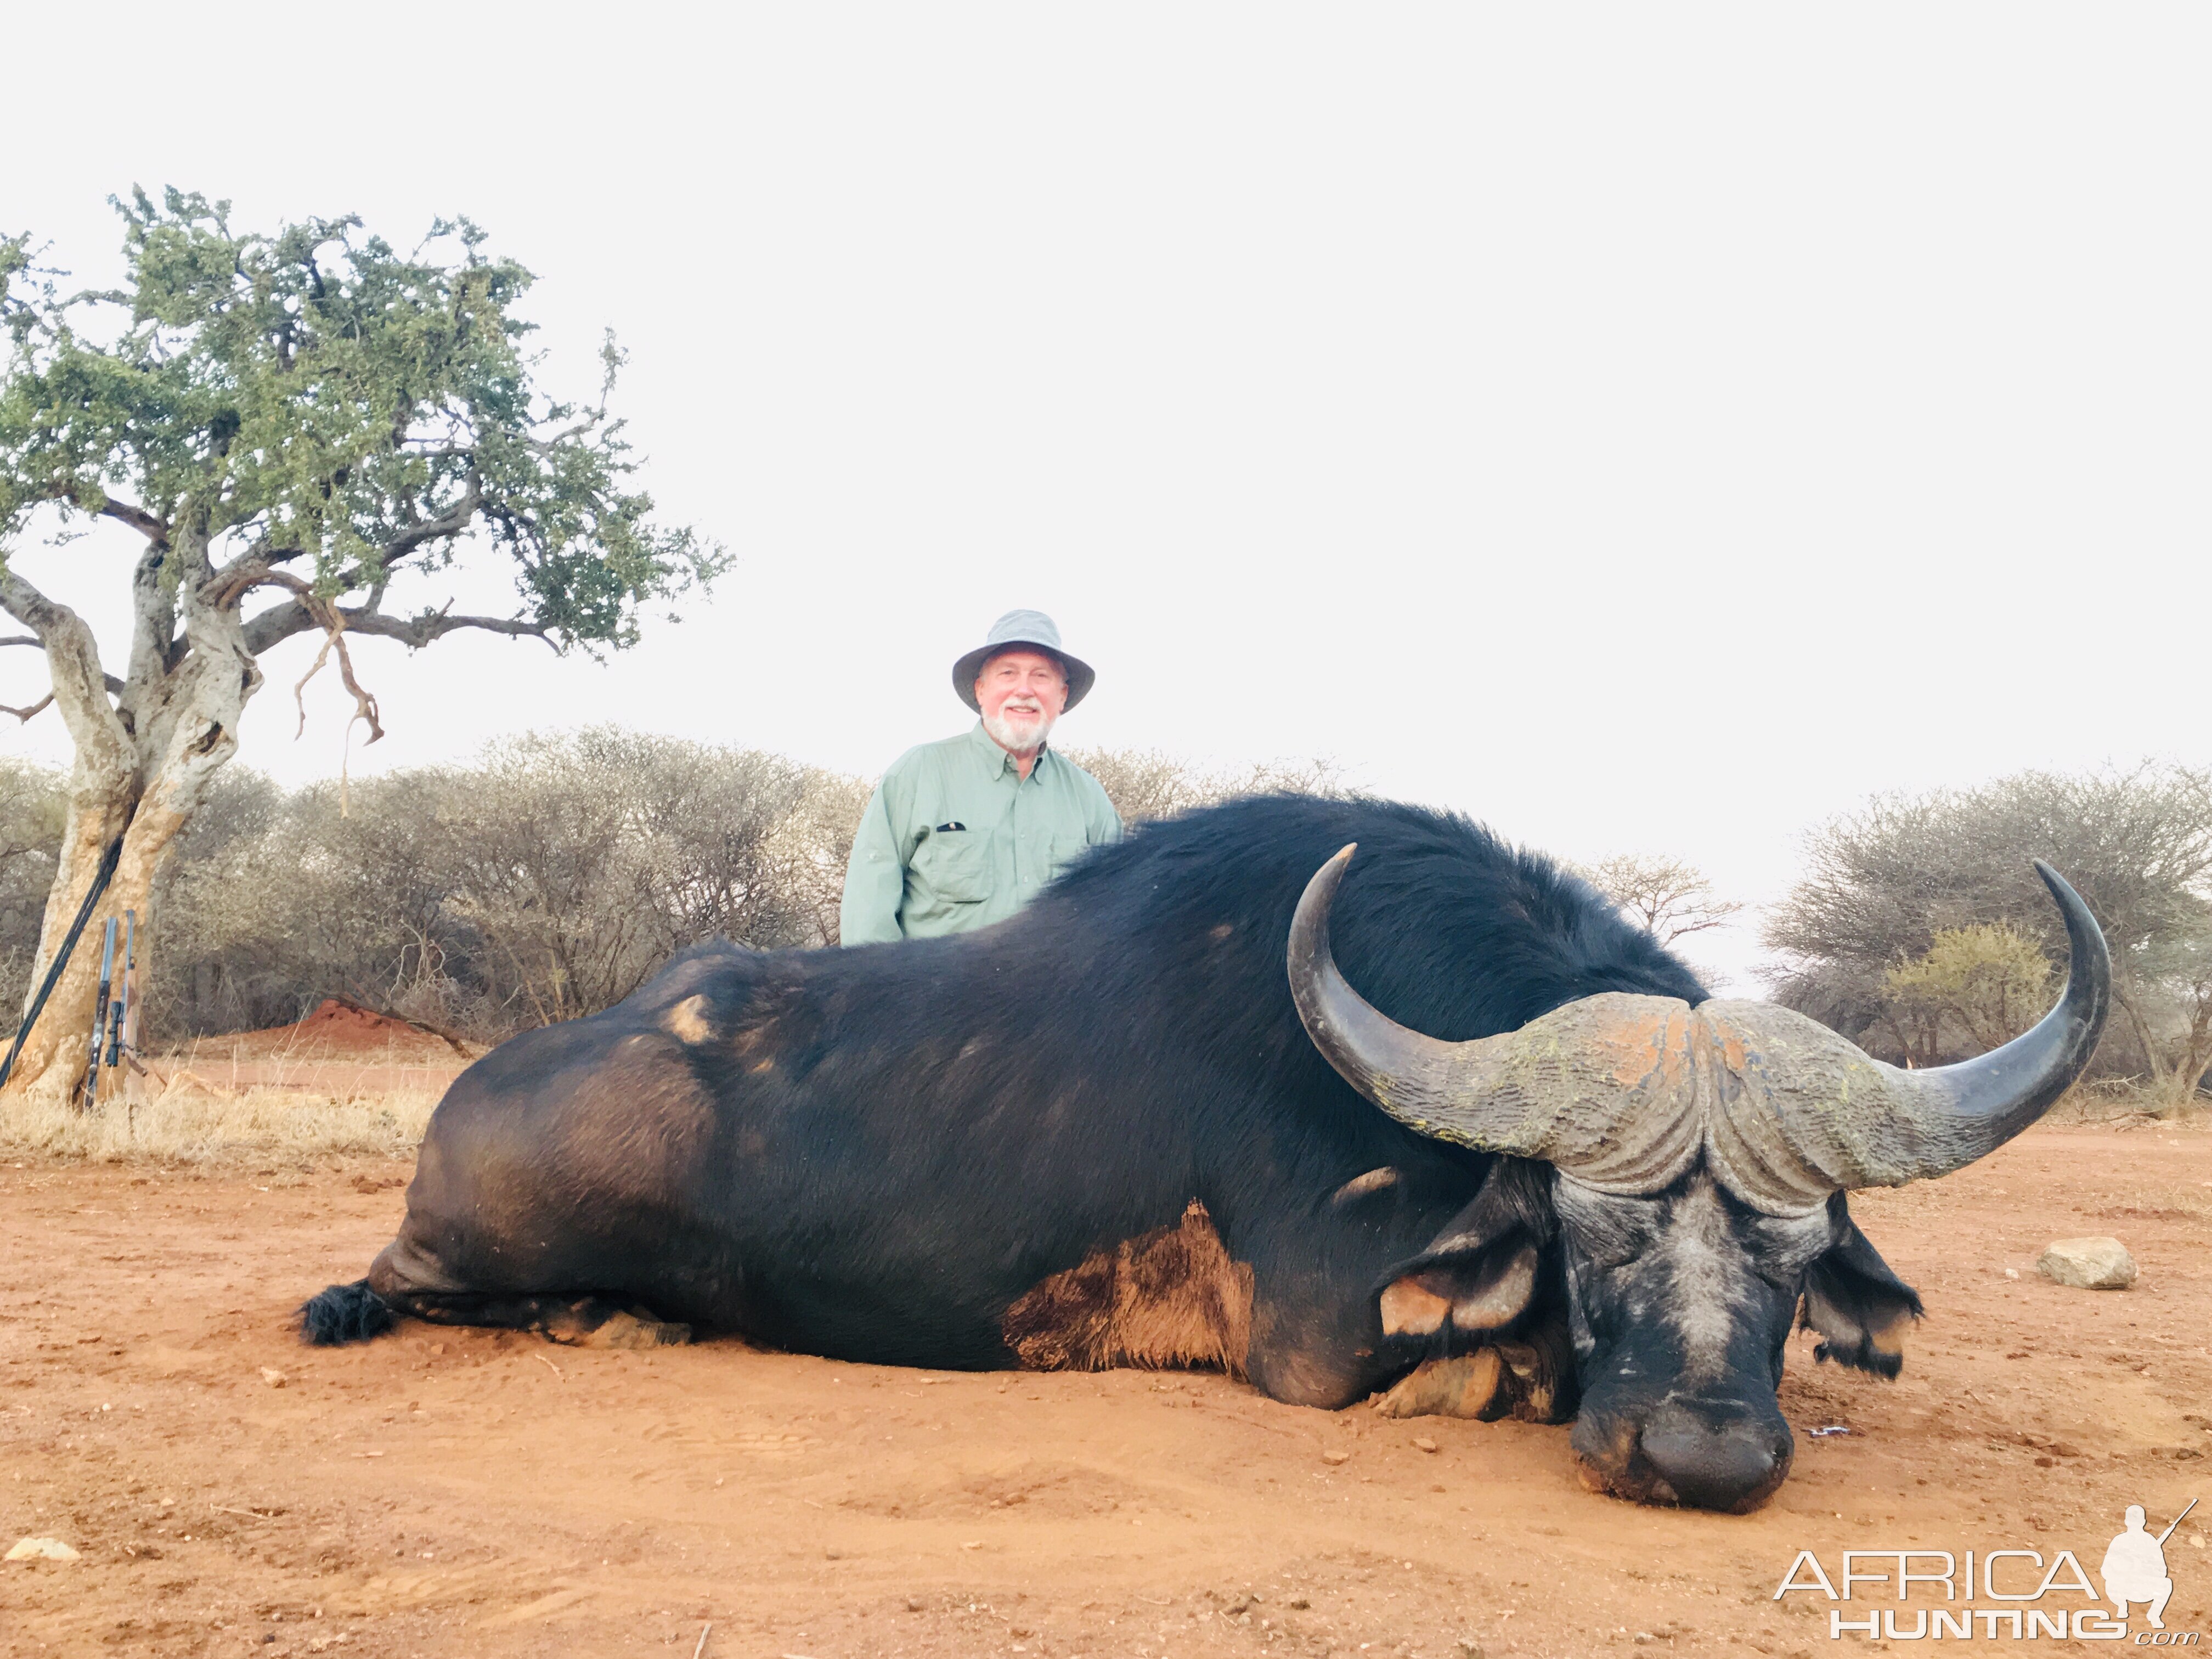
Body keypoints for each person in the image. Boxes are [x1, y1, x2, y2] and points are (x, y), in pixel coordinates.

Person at [839, 610, 1121, 944]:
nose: (1025, 689)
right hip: (935, 996)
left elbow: (1118, 918)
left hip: (1062, 998)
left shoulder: (1089, 799)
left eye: (1041, 676)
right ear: (981, 690)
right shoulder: (917, 774)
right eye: (1008, 673)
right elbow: (867, 916)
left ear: (1061, 697)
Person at [2101, 1505, 2174, 1628]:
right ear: (2143, 1522)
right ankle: (2122, 1606)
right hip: (2123, 1588)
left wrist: (2145, 1568)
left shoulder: (2150, 1542)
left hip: (2143, 1589)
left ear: (2126, 1522)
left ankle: (2154, 1615)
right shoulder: (2120, 1541)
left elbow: (2162, 1571)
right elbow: (2106, 1571)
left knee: (2166, 1583)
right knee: (2111, 1582)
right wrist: (2125, 1569)